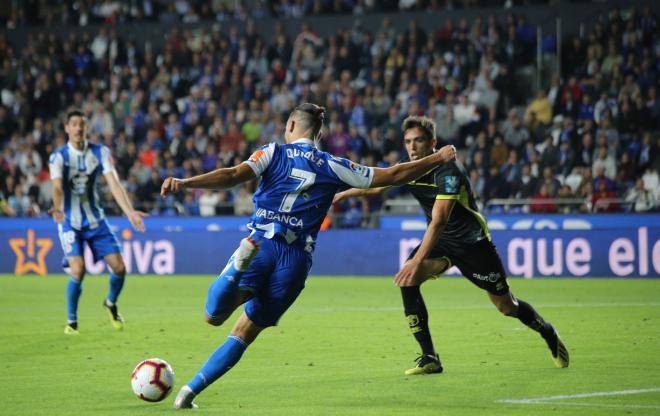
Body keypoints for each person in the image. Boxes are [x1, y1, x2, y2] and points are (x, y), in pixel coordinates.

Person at [160, 103, 456, 409]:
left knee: (213, 315)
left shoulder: (272, 152)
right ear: (320, 132)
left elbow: (233, 174)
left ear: (291, 126)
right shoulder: (334, 165)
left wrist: (186, 183)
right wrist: (438, 157)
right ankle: (188, 393)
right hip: (295, 262)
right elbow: (393, 174)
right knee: (245, 331)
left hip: (261, 242)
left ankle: (237, 268)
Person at [334, 115, 568, 375]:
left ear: (432, 142)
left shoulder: (448, 172)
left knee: (506, 306)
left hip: (472, 245)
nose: (412, 147)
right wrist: (342, 193)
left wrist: (415, 260)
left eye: (418, 141)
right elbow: (376, 187)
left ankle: (546, 330)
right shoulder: (410, 168)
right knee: (407, 281)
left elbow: (439, 221)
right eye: (408, 142)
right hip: (442, 243)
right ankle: (429, 357)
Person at [49, 109, 148, 335]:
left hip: (96, 220)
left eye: (81, 124)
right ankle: (72, 322)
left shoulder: (100, 152)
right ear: (66, 128)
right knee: (78, 269)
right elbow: (56, 187)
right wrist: (56, 208)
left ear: (86, 128)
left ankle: (111, 303)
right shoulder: (58, 157)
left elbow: (114, 183)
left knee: (120, 268)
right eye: (73, 124)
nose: (78, 128)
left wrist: (130, 212)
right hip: (69, 222)